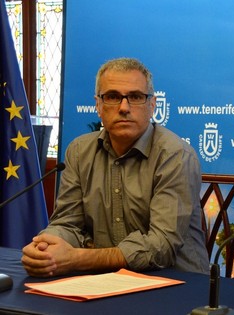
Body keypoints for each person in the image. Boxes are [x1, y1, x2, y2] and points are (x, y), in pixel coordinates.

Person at [21, 57, 209, 277]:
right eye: (112, 97)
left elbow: (161, 246)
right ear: (98, 105)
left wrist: (77, 259)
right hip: (105, 281)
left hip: (176, 283)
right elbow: (67, 223)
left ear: (152, 105)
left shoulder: (175, 155)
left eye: (136, 97)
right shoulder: (79, 151)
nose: (124, 108)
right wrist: (45, 247)